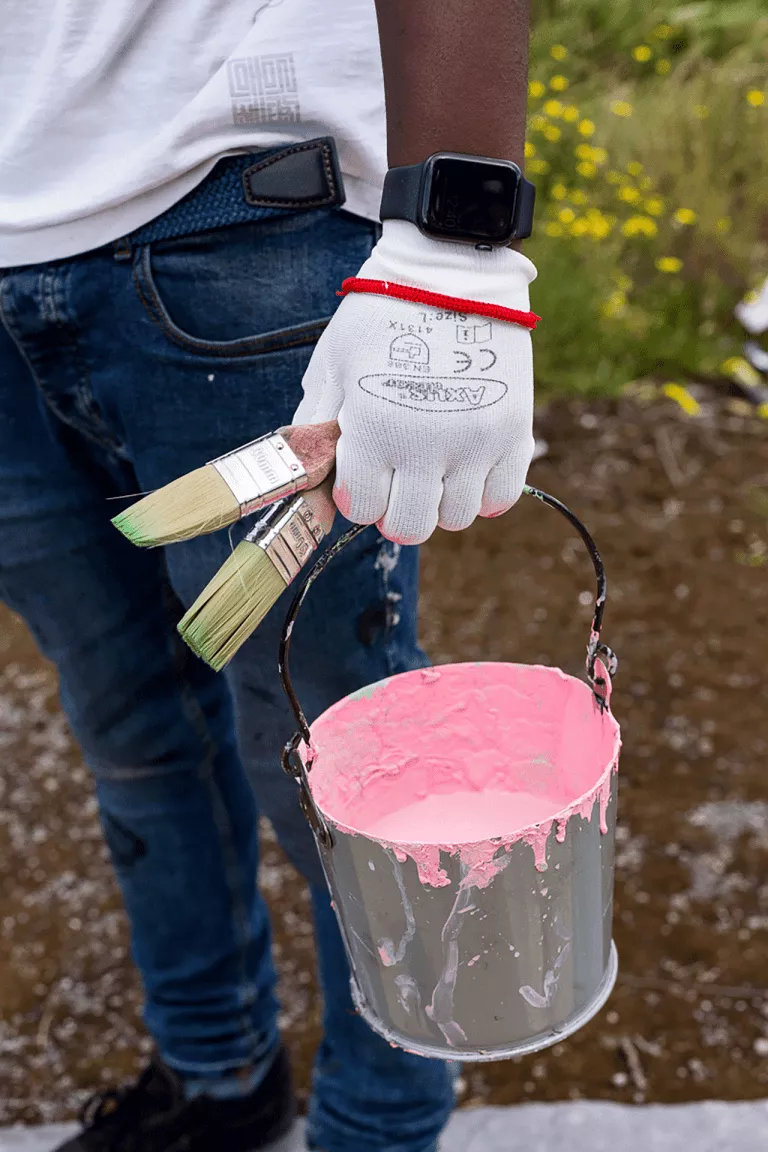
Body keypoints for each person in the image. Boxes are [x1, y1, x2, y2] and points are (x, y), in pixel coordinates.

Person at [0, 2, 536, 1150]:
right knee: (129, 722)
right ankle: (217, 1080)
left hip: (236, 214)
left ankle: (381, 1120)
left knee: (341, 750)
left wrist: (457, 240)